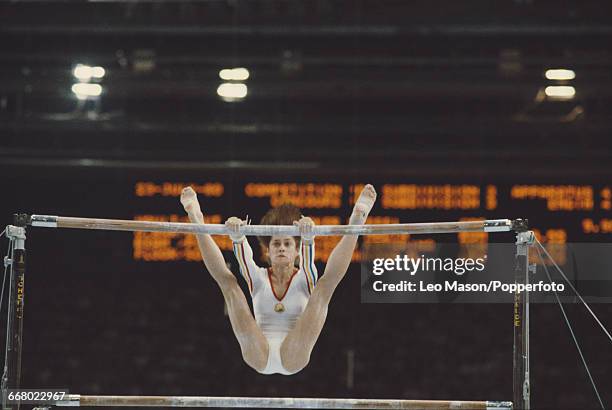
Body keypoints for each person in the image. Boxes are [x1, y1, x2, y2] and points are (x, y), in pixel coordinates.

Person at [180, 184, 377, 375]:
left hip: (295, 356)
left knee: (324, 287)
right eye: (276, 244)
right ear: (268, 253)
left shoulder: (304, 278)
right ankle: (197, 219)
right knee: (229, 284)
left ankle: (357, 221)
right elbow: (244, 262)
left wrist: (308, 239)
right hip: (258, 353)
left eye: (287, 244)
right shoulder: (257, 278)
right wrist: (238, 237)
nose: (281, 247)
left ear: (297, 252)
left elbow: (310, 267)